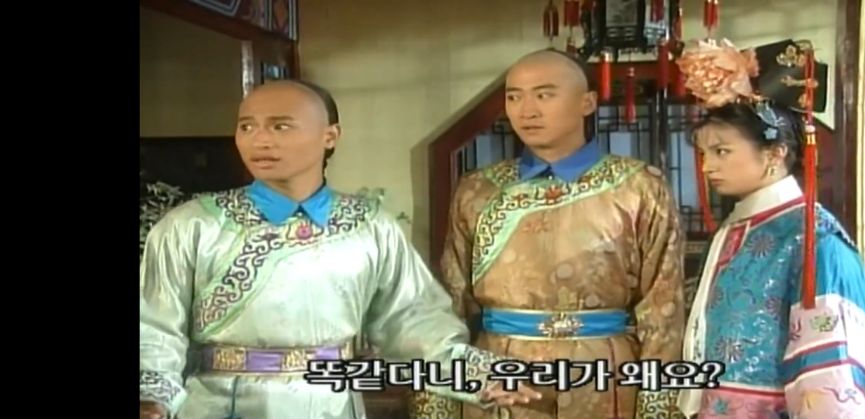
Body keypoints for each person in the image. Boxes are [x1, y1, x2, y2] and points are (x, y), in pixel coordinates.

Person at [139, 80, 541, 419]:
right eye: (247, 126)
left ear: (330, 136)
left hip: (330, 403)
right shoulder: (192, 225)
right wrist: (151, 397)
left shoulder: (369, 226)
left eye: (280, 126)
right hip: (219, 404)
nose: (259, 139)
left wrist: (477, 374)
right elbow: (154, 325)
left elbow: (413, 319)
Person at [411, 50, 687, 419]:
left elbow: (663, 308)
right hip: (500, 371)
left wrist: (657, 407)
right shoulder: (478, 190)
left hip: (604, 374)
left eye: (544, 95)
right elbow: (450, 303)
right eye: (514, 97)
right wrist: (438, 403)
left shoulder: (638, 186)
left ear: (587, 102)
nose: (527, 110)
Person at [674, 39, 865, 418]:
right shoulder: (737, 228)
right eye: (704, 153)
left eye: (722, 151)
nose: (707, 167)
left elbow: (831, 378)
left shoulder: (814, 240)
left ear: (775, 153)